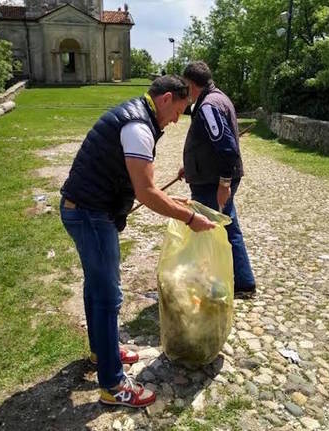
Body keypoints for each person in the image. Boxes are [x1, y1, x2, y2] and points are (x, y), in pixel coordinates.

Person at [60, 75, 216, 409]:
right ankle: (113, 385)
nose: (177, 119)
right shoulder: (138, 127)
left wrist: (177, 203)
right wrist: (187, 217)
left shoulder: (136, 118)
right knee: (108, 294)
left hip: (84, 209)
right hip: (90, 213)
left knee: (96, 287)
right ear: (166, 99)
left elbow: (143, 185)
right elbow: (146, 192)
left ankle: (101, 352)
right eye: (179, 110)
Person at [179, 61, 256, 298]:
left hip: (212, 182)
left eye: (185, 86)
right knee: (225, 225)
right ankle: (240, 281)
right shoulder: (218, 98)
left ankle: (229, 283)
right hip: (210, 177)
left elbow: (226, 147)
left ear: (191, 84)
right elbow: (213, 143)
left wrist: (224, 183)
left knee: (214, 229)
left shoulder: (209, 106)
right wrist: (190, 166)